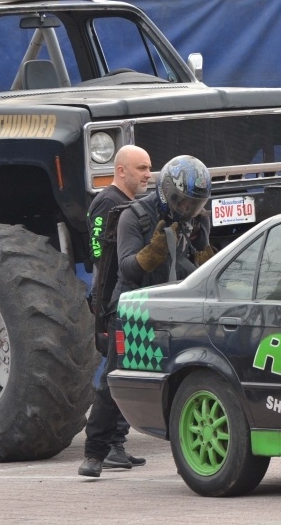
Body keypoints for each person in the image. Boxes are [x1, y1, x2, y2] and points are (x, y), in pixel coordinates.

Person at [78, 154, 215, 477]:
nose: (186, 210)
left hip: (174, 307)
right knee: (115, 379)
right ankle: (95, 454)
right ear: (166, 191)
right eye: (181, 202)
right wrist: (153, 250)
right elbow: (126, 267)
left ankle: (182, 454)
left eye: (192, 205)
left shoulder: (197, 219)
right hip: (133, 309)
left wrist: (204, 244)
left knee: (183, 380)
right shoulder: (134, 216)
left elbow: (205, 268)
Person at [82, 145, 152, 474]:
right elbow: (102, 258)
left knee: (127, 371)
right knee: (115, 372)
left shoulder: (135, 205)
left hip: (129, 300)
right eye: (141, 168)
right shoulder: (107, 203)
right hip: (113, 303)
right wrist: (108, 303)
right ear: (121, 171)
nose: (148, 174)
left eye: (149, 168)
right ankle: (104, 447)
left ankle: (115, 444)